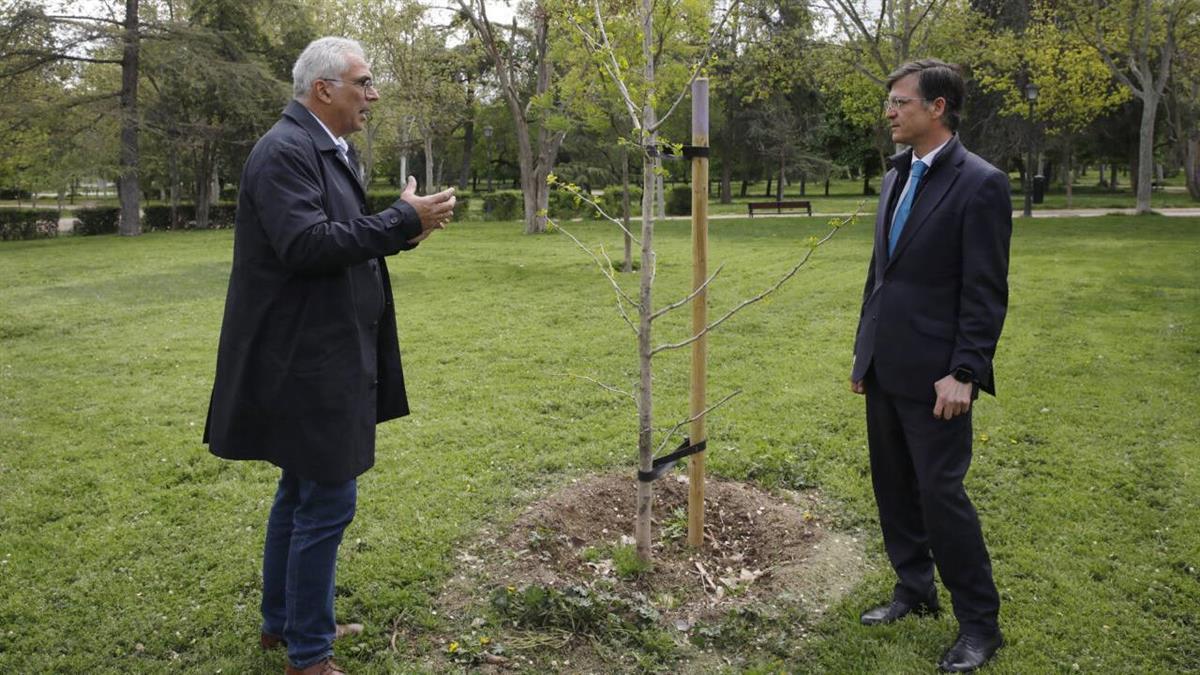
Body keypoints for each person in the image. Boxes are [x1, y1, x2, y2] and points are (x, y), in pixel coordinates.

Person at [203, 37, 456, 675]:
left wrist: (404, 230)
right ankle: (309, 655)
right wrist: (398, 218)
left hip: (322, 348)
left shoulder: (318, 147)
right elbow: (306, 246)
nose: (372, 96)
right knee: (327, 500)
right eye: (363, 83)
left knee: (300, 491)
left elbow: (336, 238)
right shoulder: (286, 151)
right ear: (324, 89)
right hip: (307, 358)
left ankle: (284, 624)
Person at [849, 59, 1011, 673]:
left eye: (900, 101)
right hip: (887, 367)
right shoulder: (895, 176)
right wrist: (864, 354)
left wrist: (965, 371)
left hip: (940, 376)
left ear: (937, 107)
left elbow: (985, 289)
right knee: (893, 487)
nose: (891, 111)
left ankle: (979, 624)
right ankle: (913, 590)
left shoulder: (980, 183)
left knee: (942, 496)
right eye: (889, 102)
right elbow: (879, 277)